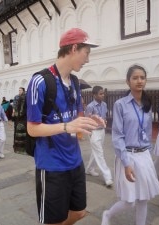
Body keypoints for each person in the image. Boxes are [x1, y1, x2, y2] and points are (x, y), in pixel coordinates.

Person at [27, 28, 104, 225]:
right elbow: (33, 129)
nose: (87, 60)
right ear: (74, 48)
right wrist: (66, 126)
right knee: (53, 221)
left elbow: (76, 117)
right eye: (86, 53)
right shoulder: (40, 81)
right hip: (51, 165)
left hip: (75, 161)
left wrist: (89, 119)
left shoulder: (75, 82)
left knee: (79, 213)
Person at [102, 65, 159, 225]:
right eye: (135, 78)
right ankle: (107, 214)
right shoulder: (120, 104)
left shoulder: (147, 103)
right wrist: (126, 163)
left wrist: (148, 152)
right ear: (128, 82)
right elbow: (117, 136)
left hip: (144, 155)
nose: (139, 81)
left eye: (142, 77)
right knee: (129, 201)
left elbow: (147, 131)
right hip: (127, 155)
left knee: (144, 198)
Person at [85, 85, 113, 187]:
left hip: (102, 131)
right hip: (94, 132)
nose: (102, 95)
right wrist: (90, 132)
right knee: (100, 153)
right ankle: (108, 176)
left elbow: (104, 116)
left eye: (103, 93)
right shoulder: (90, 106)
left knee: (96, 152)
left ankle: (89, 169)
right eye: (100, 94)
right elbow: (87, 120)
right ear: (94, 95)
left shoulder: (104, 104)